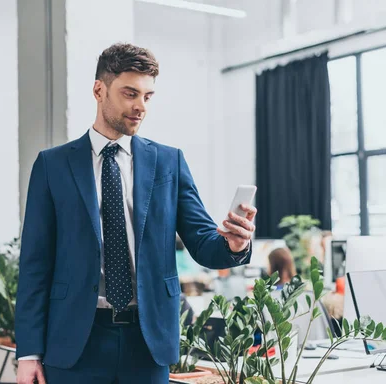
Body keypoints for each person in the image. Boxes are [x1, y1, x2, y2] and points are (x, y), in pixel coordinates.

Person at [15, 43, 256, 384]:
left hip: (147, 341)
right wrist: (28, 353)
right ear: (99, 90)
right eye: (130, 94)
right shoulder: (53, 165)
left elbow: (203, 243)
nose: (140, 106)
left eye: (148, 96)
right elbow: (35, 264)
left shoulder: (168, 162)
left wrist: (234, 244)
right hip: (75, 342)